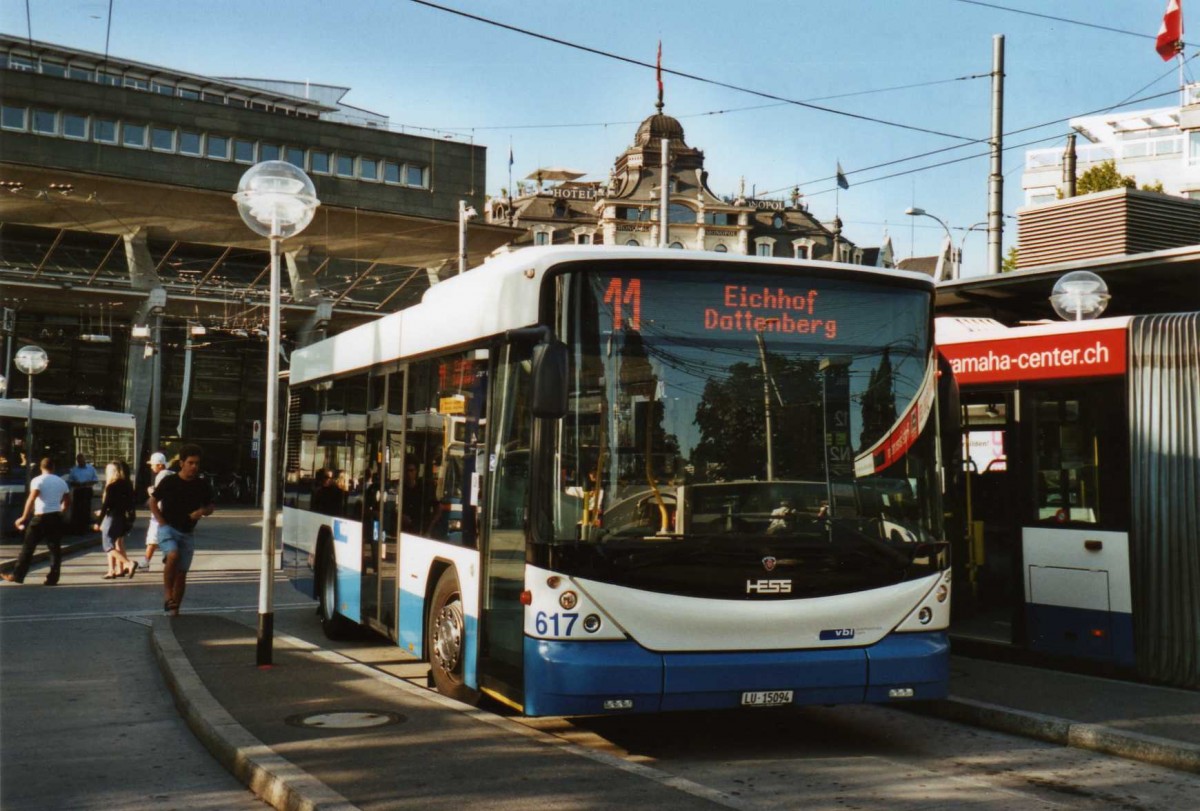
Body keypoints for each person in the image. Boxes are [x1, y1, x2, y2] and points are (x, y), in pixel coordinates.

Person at [148, 444, 214, 616]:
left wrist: (201, 512)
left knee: (182, 573)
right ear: (182, 463)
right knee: (173, 555)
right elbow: (152, 502)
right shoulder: (169, 481)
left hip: (187, 531)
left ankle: (175, 610)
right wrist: (161, 521)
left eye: (197, 463)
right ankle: (167, 594)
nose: (194, 467)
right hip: (168, 527)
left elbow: (210, 506)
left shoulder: (201, 485)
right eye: (191, 463)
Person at [3, 457, 71, 585]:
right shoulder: (61, 482)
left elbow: (32, 498)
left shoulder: (37, 480)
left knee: (28, 547)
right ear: (53, 467)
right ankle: (53, 578)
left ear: (41, 467)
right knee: (54, 548)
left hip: (40, 516)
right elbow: (67, 500)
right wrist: (61, 510)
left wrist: (23, 517)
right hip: (55, 516)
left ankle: (18, 575)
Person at [95, 460, 138, 579]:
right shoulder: (127, 485)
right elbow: (130, 505)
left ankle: (128, 563)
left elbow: (106, 506)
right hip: (121, 518)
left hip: (111, 518)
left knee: (108, 546)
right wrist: (130, 520)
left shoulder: (111, 486)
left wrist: (98, 521)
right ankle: (116, 569)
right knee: (116, 543)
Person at [141, 452, 172, 571]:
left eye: (153, 464)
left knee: (152, 539)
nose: (151, 466)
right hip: (168, 512)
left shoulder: (161, 476)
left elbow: (158, 495)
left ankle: (145, 562)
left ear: (159, 465)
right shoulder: (171, 474)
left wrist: (150, 492)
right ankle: (166, 558)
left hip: (159, 512)